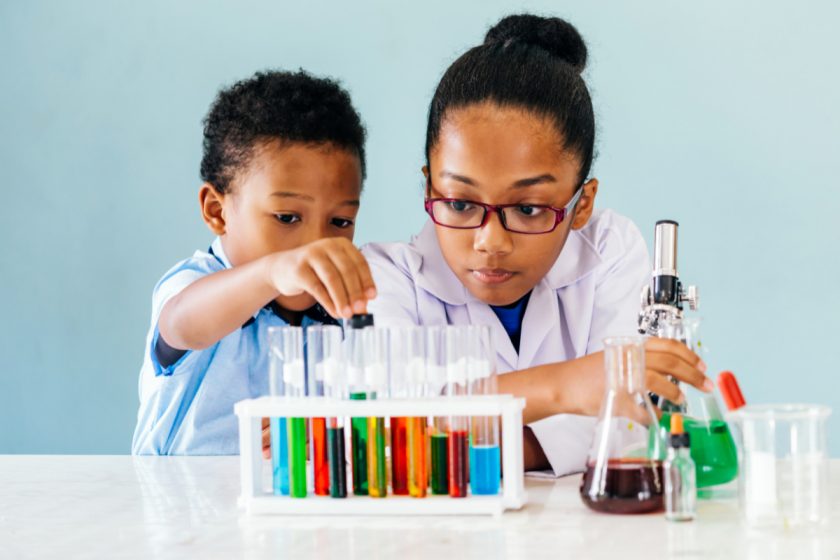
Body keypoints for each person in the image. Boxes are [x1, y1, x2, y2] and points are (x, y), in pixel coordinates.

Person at [363, 15, 711, 475]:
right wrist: (563, 388)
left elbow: (634, 422)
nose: (491, 242)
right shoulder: (382, 277)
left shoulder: (609, 248)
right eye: (461, 203)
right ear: (429, 190)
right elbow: (383, 438)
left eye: (528, 209)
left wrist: (459, 433)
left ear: (581, 204)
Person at [132, 70, 376, 456]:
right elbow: (182, 323)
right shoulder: (195, 285)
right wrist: (273, 270)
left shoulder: (341, 317)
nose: (314, 244)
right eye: (286, 217)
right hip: (183, 511)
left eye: (340, 222)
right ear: (218, 211)